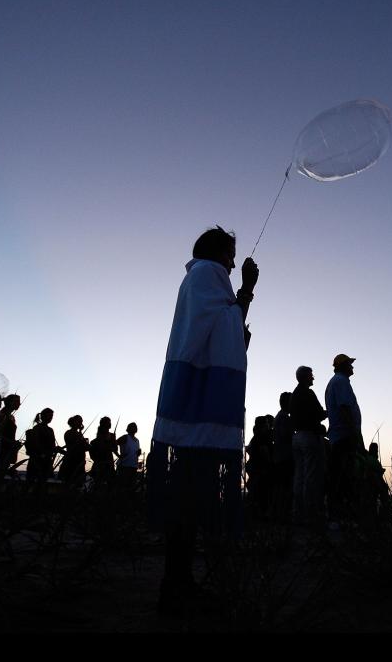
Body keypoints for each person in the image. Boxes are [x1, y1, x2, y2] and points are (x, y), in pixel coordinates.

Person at [149, 226, 258, 614]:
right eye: (231, 254)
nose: (232, 262)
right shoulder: (206, 274)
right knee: (192, 497)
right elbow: (225, 324)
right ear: (218, 254)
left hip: (194, 401)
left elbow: (218, 326)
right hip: (199, 404)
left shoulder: (199, 278)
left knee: (192, 497)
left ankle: (178, 581)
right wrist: (247, 290)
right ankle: (176, 585)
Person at [324, 353, 363, 523]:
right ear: (342, 366)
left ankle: (339, 515)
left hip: (341, 435)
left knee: (340, 476)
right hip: (344, 435)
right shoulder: (340, 382)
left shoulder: (337, 381)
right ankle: (339, 517)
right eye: (349, 364)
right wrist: (354, 432)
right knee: (344, 477)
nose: (352, 367)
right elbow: (345, 408)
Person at [290, 365, 328, 529]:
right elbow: (319, 414)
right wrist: (329, 412)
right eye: (311, 375)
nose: (313, 378)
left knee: (299, 476)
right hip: (308, 437)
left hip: (297, 437)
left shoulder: (294, 395)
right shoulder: (308, 393)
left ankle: (297, 514)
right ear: (306, 377)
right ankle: (309, 515)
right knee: (310, 477)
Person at [271, 392, 294, 521]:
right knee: (284, 486)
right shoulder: (284, 417)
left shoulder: (280, 416)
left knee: (280, 486)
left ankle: (278, 513)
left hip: (280, 456)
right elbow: (287, 435)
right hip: (284, 457)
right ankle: (282, 514)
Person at [25, 408, 58, 486]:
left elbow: (52, 445)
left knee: (41, 483)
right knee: (32, 482)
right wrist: (44, 453)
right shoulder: (37, 428)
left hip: (46, 460)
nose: (50, 418)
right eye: (49, 416)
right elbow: (36, 444)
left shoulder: (50, 430)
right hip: (37, 459)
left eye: (51, 416)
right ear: (43, 416)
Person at [89, 417, 119, 489]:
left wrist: (119, 454)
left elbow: (115, 449)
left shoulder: (112, 436)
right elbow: (93, 454)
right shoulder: (95, 440)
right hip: (100, 463)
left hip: (109, 462)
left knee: (110, 484)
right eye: (108, 422)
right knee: (99, 484)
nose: (110, 424)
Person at [59, 415, 89, 486]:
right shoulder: (69, 433)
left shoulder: (78, 433)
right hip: (72, 462)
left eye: (81, 421)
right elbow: (80, 445)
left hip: (79, 462)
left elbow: (84, 446)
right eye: (79, 421)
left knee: (78, 484)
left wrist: (80, 432)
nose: (80, 423)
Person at [116, 422, 142, 494]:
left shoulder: (137, 440)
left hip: (133, 467)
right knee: (122, 488)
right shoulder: (125, 437)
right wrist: (118, 455)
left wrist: (138, 453)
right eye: (132, 427)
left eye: (135, 427)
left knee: (131, 488)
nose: (134, 428)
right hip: (124, 466)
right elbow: (114, 444)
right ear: (128, 428)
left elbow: (135, 453)